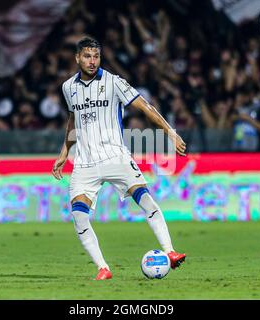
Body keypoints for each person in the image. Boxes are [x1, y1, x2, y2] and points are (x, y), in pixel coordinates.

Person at [52, 37, 186, 280]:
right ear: (77, 58)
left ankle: (171, 251)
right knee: (78, 214)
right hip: (85, 163)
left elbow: (145, 106)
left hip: (116, 157)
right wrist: (64, 153)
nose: (92, 61)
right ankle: (103, 268)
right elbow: (73, 121)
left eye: (96, 56)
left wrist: (170, 132)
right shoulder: (67, 88)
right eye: (87, 56)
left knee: (145, 199)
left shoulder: (115, 82)